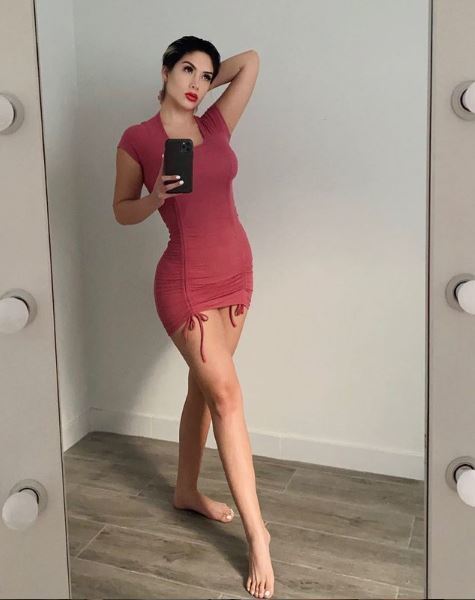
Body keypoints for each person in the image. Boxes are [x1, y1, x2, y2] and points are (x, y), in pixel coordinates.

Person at [113, 36, 273, 599]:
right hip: (185, 282)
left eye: (206, 76)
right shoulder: (138, 139)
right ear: (164, 70)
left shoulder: (214, 125)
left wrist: (202, 84)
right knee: (227, 397)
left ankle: (186, 491)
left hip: (237, 275)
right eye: (187, 70)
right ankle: (259, 536)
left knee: (203, 392)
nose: (198, 84)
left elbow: (250, 62)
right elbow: (120, 211)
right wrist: (155, 196)